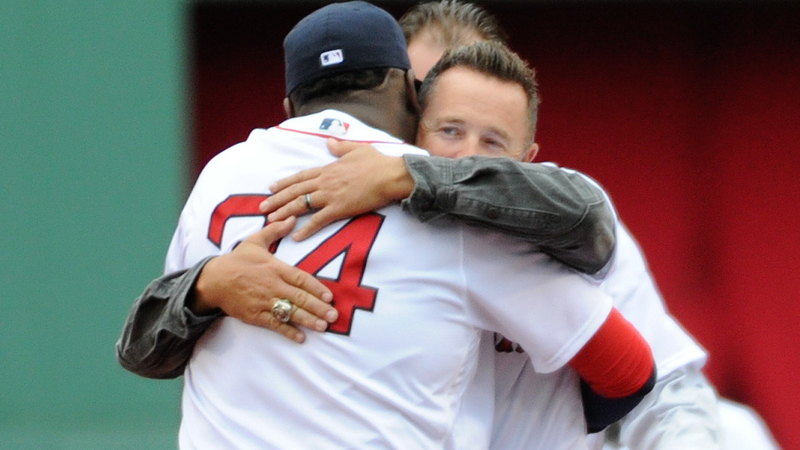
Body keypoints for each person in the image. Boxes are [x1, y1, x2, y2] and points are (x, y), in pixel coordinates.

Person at [142, 3, 654, 448]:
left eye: (490, 140)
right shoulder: (458, 221)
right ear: (412, 94)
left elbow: (147, 348)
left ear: (288, 106)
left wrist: (208, 286)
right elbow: (629, 370)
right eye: (451, 128)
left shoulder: (221, 173)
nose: (467, 149)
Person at [260, 2, 722, 449]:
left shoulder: (555, 209)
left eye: (491, 133)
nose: (466, 153)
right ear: (404, 104)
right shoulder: (332, 201)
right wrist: (205, 287)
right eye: (439, 112)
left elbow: (664, 388)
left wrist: (414, 175)